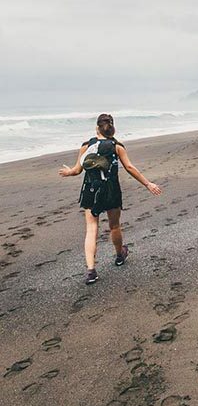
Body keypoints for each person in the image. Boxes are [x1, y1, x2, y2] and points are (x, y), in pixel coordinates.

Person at [59, 113, 162, 284]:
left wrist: (68, 171)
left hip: (91, 190)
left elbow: (77, 170)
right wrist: (148, 183)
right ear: (112, 128)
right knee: (114, 226)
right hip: (111, 190)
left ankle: (91, 271)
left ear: (96, 128)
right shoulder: (117, 146)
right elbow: (129, 167)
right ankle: (120, 255)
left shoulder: (86, 146)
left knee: (91, 229)